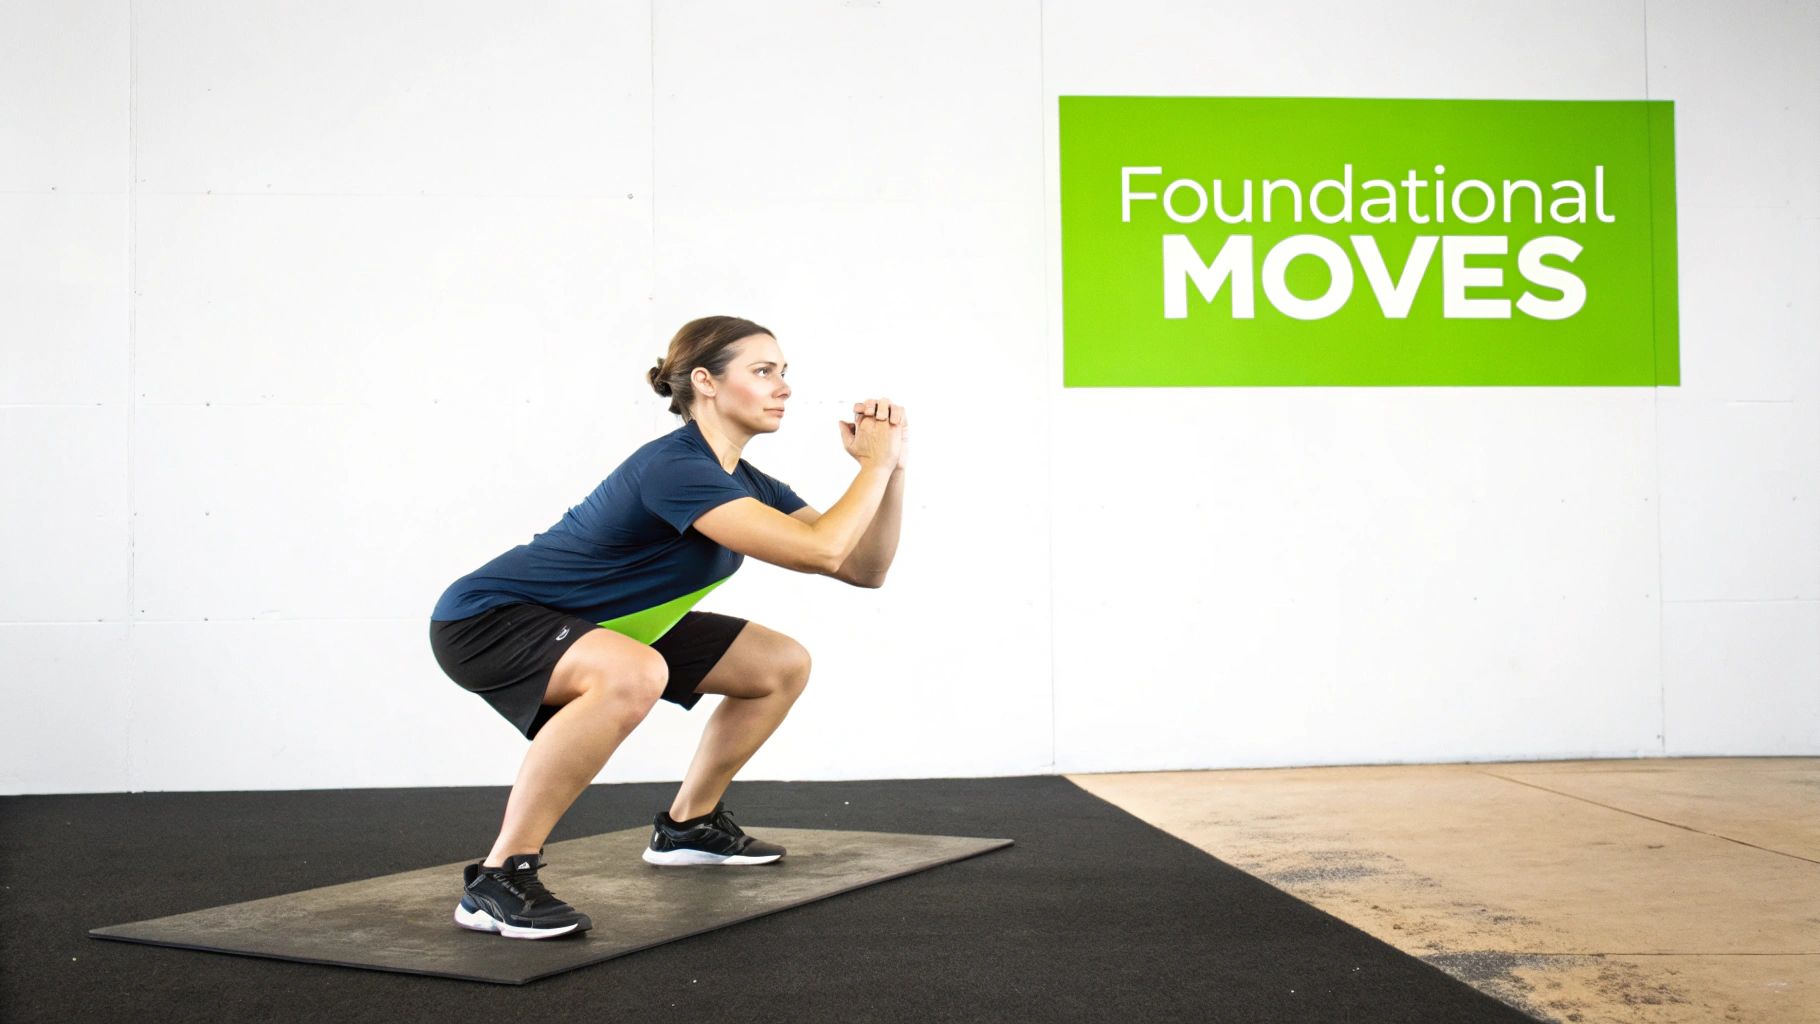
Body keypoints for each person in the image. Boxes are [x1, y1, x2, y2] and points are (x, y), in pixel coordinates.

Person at [428, 315, 907, 940]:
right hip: (488, 619)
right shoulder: (674, 468)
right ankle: (499, 876)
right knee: (636, 673)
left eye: (784, 372)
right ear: (705, 382)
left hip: (600, 624)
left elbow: (862, 566)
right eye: (763, 371)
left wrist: (890, 470)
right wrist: (868, 469)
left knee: (778, 665)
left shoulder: (747, 480)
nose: (783, 386)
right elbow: (819, 550)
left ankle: (689, 826)